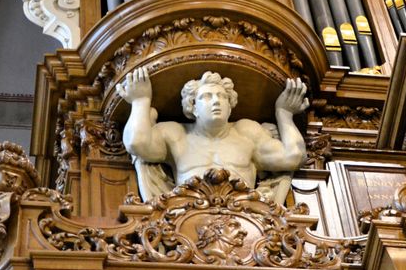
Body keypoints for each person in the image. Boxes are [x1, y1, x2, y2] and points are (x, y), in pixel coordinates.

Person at [119, 67, 308, 197]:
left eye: (222, 96)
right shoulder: (176, 134)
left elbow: (294, 156)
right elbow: (137, 143)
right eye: (206, 97)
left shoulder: (247, 132)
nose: (216, 101)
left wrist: (283, 114)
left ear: (230, 106)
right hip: (186, 220)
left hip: (246, 222)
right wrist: (141, 101)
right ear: (193, 107)